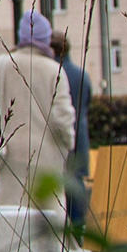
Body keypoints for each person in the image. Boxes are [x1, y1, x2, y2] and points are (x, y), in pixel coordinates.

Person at [0, 9, 77, 219]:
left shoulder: (2, 64)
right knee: (49, 214)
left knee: (11, 215)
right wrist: (67, 143)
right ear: (45, 39)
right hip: (47, 153)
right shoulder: (54, 70)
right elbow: (63, 116)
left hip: (12, 154)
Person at [50, 28, 92, 231]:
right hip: (81, 137)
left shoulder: (54, 74)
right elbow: (87, 103)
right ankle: (79, 229)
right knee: (76, 182)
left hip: (58, 137)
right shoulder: (82, 74)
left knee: (59, 184)